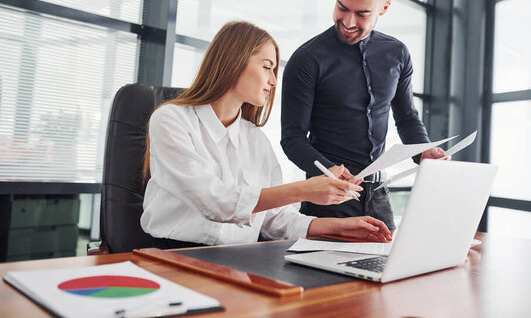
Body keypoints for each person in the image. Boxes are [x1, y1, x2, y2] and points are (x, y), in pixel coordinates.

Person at [140, 21, 392, 249]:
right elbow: (212, 200)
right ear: (234, 62)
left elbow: (273, 218)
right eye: (267, 67)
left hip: (238, 259)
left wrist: (341, 227)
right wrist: (304, 190)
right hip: (174, 253)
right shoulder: (171, 119)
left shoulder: (255, 139)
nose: (273, 81)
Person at [281, 0, 445, 230]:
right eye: (342, 8)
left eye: (362, 14)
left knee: (388, 270)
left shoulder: (398, 54)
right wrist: (327, 168)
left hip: (379, 197)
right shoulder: (307, 59)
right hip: (327, 199)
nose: (347, 21)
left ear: (384, 7)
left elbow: (406, 118)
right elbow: (292, 138)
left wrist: (423, 151)